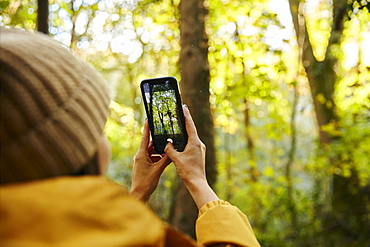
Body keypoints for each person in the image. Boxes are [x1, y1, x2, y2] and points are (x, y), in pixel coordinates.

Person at [0, 28, 260, 246]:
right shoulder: (143, 239)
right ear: (76, 149)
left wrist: (137, 193)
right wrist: (197, 181)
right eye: (97, 127)